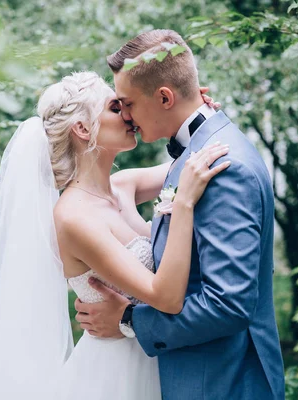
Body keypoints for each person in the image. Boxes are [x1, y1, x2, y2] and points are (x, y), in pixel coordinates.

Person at [0, 68, 229, 399]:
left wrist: (197, 115)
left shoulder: (122, 186)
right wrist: (184, 204)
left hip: (156, 359)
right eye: (116, 108)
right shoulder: (75, 217)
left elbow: (196, 161)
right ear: (83, 128)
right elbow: (166, 296)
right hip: (114, 376)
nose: (129, 115)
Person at [75, 29, 286, 399]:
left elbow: (228, 305)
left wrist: (127, 321)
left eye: (127, 103)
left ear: (164, 97)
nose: (125, 115)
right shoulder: (199, 150)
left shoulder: (222, 168)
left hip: (222, 382)